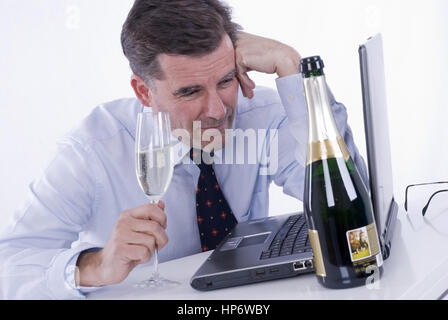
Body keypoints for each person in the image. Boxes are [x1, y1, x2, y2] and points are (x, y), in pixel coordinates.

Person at [0, 0, 368, 299]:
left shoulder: (266, 113)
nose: (218, 110)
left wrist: (292, 68)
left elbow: (354, 208)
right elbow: (9, 265)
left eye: (225, 80)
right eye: (189, 91)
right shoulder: (91, 151)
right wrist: (94, 265)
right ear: (144, 91)